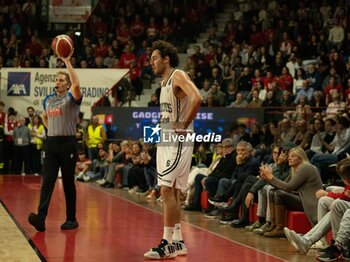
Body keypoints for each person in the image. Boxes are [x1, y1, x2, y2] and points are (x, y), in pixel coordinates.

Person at [144, 40, 202, 260]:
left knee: (166, 190)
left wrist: (184, 125)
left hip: (178, 140)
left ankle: (166, 244)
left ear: (166, 59)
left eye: (154, 58)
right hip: (166, 138)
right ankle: (177, 242)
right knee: (174, 190)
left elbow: (197, 97)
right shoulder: (164, 82)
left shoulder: (178, 75)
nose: (151, 62)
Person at [28, 49, 83, 232]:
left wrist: (67, 61)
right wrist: (50, 128)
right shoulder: (49, 100)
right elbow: (44, 116)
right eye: (57, 79)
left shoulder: (71, 98)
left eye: (61, 80)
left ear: (67, 85)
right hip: (51, 143)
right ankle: (41, 218)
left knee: (68, 182)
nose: (57, 82)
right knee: (48, 180)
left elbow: (76, 83)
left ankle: (71, 219)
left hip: (67, 143)